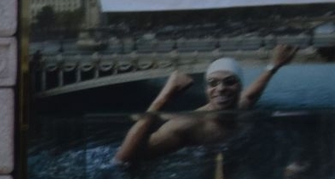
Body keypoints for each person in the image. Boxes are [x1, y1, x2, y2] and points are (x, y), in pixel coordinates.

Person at [116, 44, 298, 166]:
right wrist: (164, 97)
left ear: (239, 86)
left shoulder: (242, 105)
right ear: (206, 90)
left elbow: (252, 93)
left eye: (229, 82)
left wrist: (273, 66)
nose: (221, 89)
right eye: (213, 83)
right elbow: (123, 159)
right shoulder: (188, 124)